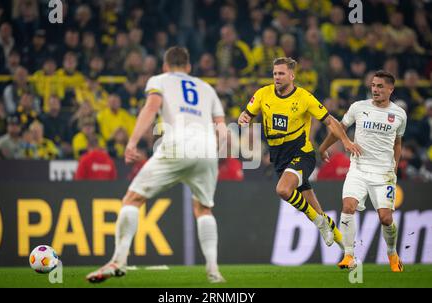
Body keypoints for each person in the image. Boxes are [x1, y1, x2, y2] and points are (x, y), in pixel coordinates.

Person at [86, 47, 227, 284]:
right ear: (189, 67)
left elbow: (151, 108)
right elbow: (221, 128)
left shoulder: (159, 80)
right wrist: (215, 152)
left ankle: (118, 261)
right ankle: (214, 271)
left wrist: (132, 142)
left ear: (165, 66)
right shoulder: (207, 88)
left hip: (177, 142)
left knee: (132, 199)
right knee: (204, 209)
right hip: (206, 147)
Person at [238, 57, 362, 249]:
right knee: (314, 208)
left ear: (292, 75)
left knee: (283, 190)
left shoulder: (304, 98)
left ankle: (319, 223)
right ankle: (348, 251)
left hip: (302, 154)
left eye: (281, 73)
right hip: (280, 159)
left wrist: (345, 141)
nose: (277, 77)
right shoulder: (263, 94)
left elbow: (330, 121)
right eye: (275, 73)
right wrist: (244, 117)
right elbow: (247, 113)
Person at [319, 70, 407, 272]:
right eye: (373, 86)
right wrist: (323, 148)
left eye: (380, 86)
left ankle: (392, 253)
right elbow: (339, 128)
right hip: (358, 169)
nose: (375, 90)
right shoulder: (358, 107)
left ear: (390, 89)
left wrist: (395, 165)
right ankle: (349, 255)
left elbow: (398, 144)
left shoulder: (399, 114)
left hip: (383, 174)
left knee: (386, 218)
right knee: (348, 206)